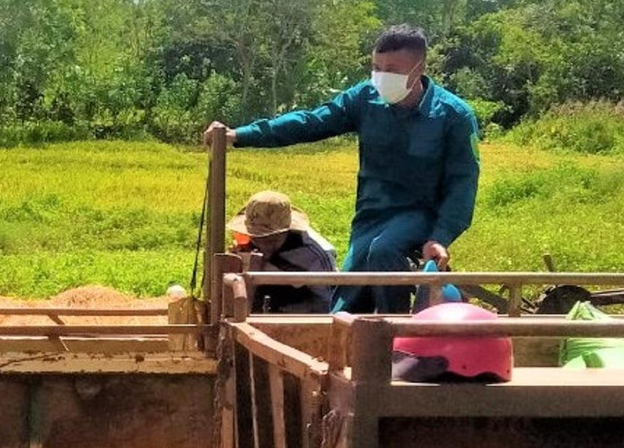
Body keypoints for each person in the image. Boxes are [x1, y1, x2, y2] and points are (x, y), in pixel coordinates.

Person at [205, 25, 480, 314]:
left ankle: (394, 333)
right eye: (377, 67)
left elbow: (463, 183)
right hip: (370, 217)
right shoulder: (365, 98)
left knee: (384, 250)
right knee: (343, 307)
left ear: (418, 68)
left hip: (421, 213)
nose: (382, 76)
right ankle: (356, 339)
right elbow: (311, 121)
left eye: (393, 69)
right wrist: (241, 135)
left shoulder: (453, 116)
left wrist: (440, 236)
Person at [227, 190, 337, 314]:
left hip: (300, 318)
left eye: (265, 236)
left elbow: (327, 304)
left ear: (283, 232)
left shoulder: (314, 254)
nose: (257, 241)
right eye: (253, 235)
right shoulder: (246, 244)